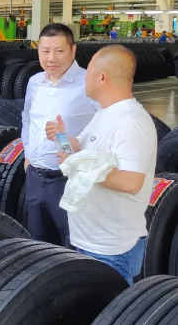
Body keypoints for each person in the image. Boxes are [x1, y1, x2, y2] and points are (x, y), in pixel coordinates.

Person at [48, 45, 157, 284]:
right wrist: (62, 138)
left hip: (112, 249)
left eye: (88, 73)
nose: (84, 78)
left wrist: (79, 166)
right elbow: (82, 152)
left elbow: (131, 182)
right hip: (88, 240)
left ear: (102, 78)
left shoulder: (130, 122)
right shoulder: (105, 114)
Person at [22, 23, 98, 248]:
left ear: (73, 51)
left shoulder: (89, 83)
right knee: (40, 245)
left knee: (72, 245)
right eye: (45, 51)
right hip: (35, 178)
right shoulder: (35, 82)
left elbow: (105, 129)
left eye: (59, 51)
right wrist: (28, 154)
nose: (51, 58)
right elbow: (27, 119)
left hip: (70, 180)